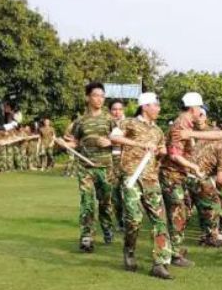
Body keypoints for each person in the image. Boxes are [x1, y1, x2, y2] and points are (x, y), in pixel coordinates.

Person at [110, 92, 175, 279]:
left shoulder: (158, 131)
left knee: (159, 220)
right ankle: (129, 250)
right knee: (134, 218)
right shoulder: (129, 123)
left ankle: (160, 263)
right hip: (132, 176)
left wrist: (161, 151)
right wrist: (139, 144)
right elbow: (114, 137)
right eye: (156, 105)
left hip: (151, 179)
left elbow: (162, 149)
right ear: (145, 106)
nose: (159, 109)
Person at [161, 91, 222, 268]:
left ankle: (173, 250)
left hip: (178, 176)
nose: (200, 111)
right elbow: (174, 155)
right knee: (178, 215)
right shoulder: (181, 124)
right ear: (192, 108)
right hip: (172, 176)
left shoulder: (186, 125)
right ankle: (173, 254)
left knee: (180, 213)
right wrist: (194, 167)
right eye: (199, 108)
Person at [63, 82, 116, 251]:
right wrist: (65, 144)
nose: (99, 99)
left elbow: (120, 141)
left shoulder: (110, 120)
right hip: (85, 167)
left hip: (105, 167)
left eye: (102, 96)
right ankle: (87, 236)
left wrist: (110, 142)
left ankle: (107, 228)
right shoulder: (80, 121)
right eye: (96, 95)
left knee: (105, 203)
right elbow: (75, 142)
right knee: (87, 202)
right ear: (88, 98)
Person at [189, 110, 222, 246]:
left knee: (204, 207)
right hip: (197, 176)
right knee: (214, 206)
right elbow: (221, 179)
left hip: (193, 173)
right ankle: (211, 239)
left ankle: (206, 236)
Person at [109, 99, 127, 227]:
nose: (117, 112)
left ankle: (129, 220)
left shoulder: (130, 124)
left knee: (129, 192)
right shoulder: (106, 124)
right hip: (112, 161)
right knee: (115, 194)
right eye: (114, 109)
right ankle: (120, 220)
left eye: (120, 109)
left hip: (127, 161)